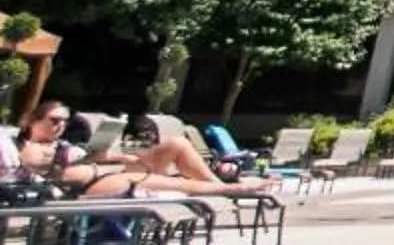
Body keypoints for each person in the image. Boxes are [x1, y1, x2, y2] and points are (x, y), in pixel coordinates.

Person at [17, 105, 276, 199]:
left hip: (105, 174)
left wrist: (115, 155)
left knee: (177, 143)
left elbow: (87, 159)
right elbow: (39, 166)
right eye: (54, 120)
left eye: (64, 121)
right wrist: (70, 155)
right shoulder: (29, 147)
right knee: (172, 183)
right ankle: (230, 189)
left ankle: (218, 185)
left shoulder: (61, 144)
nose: (60, 125)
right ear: (31, 121)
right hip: (82, 186)